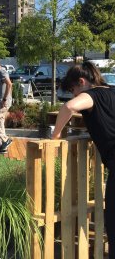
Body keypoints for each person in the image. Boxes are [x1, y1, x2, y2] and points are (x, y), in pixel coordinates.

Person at [51, 62, 115, 258]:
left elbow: (69, 107)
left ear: (82, 81)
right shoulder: (112, 91)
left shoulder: (91, 95)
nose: (73, 95)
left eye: (73, 90)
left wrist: (55, 135)